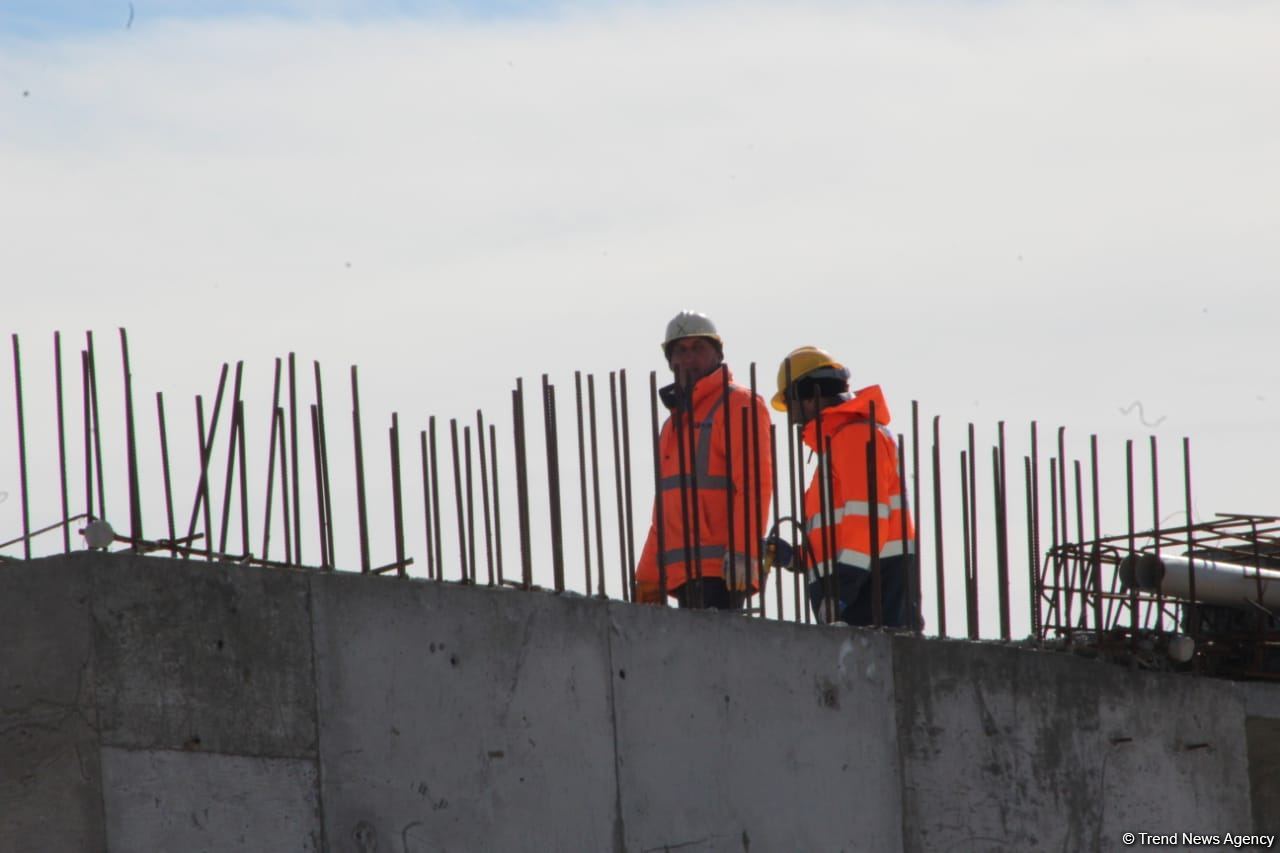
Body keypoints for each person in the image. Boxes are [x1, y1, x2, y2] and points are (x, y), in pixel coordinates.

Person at [764, 346, 920, 628]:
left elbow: (867, 522)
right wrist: (797, 558)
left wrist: (841, 591)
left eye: (791, 403)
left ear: (808, 396)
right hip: (863, 587)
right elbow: (843, 534)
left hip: (871, 595)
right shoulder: (840, 443)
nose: (793, 417)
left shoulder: (855, 436)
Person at [635, 311, 773, 610]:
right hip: (681, 575)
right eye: (681, 350)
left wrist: (743, 552)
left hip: (721, 572)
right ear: (670, 360)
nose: (689, 358)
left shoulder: (738, 404)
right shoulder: (673, 424)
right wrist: (648, 575)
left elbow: (753, 484)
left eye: (699, 348)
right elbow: (666, 505)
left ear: (717, 354)